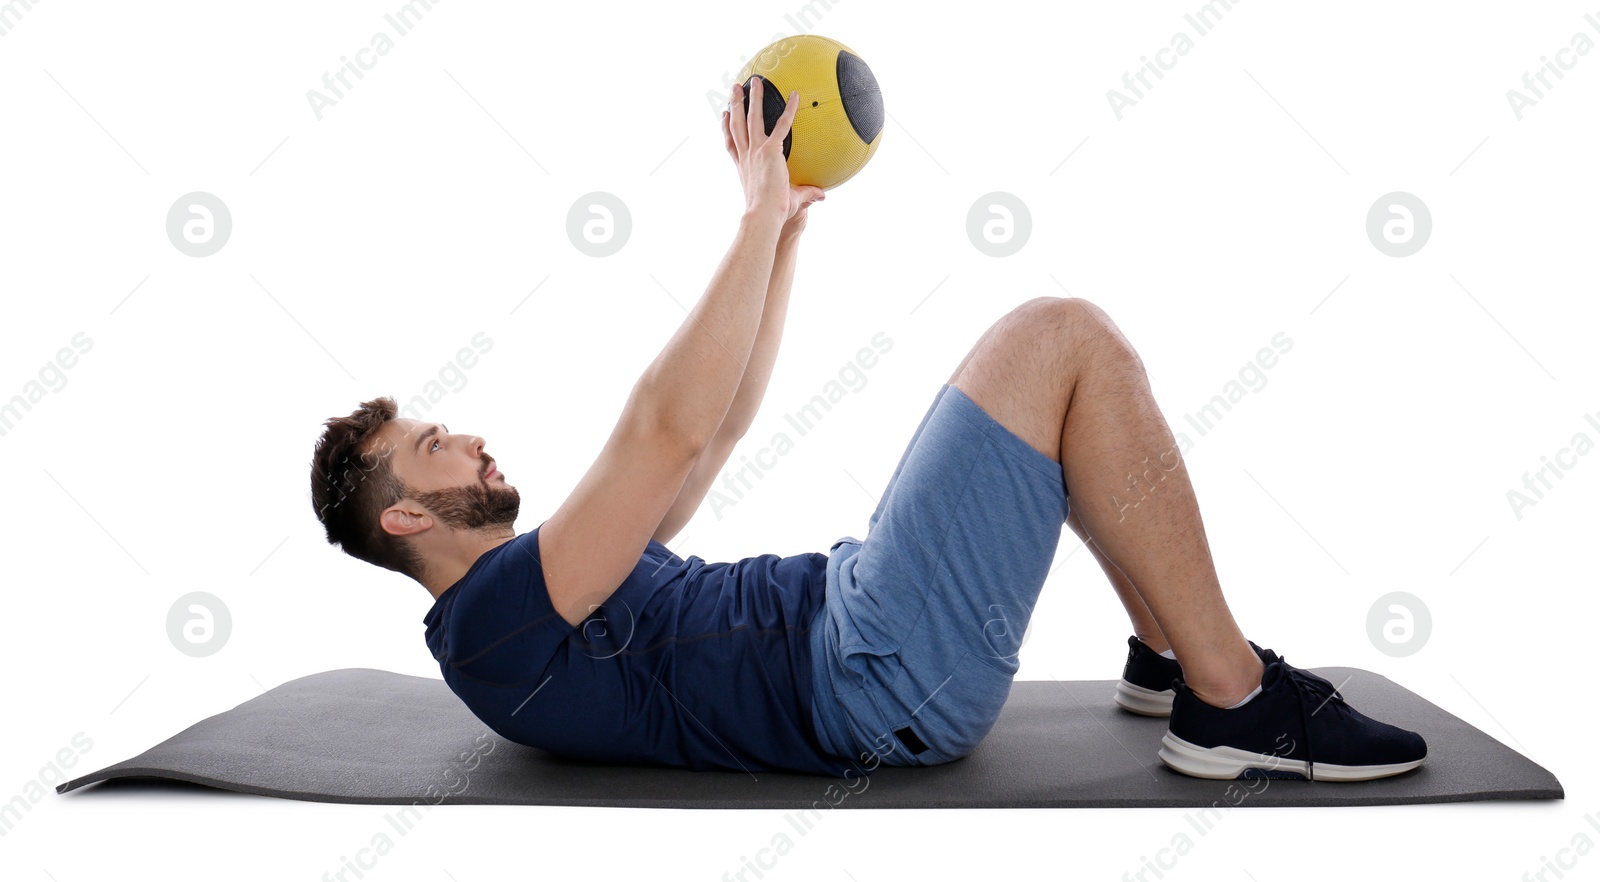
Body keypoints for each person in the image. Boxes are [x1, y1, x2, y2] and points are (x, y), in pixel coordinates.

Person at [308, 76, 1425, 782]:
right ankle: (1233, 699)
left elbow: (709, 435)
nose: (467, 438)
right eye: (432, 443)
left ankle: (1168, 655)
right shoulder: (492, 620)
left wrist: (780, 232)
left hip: (861, 630)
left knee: (1062, 357)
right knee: (1058, 336)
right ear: (404, 513)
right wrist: (750, 213)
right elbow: (659, 426)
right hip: (875, 670)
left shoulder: (549, 588)